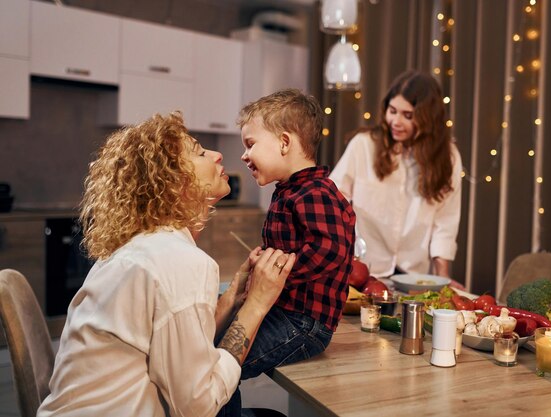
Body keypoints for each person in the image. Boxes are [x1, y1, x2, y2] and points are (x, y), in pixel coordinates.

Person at [37, 112, 296, 417]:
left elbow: (172, 344)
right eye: (199, 152)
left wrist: (232, 297)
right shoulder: (180, 261)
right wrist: (257, 304)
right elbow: (198, 407)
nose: (217, 155)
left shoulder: (143, 246)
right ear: (174, 182)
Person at [218, 89, 356, 416]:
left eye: (250, 144)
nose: (243, 155)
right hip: (285, 313)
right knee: (214, 355)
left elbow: (330, 249)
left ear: (284, 142)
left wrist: (277, 277)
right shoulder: (290, 191)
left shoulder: (315, 193)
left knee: (223, 368)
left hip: (305, 324)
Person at [330, 71, 463, 285]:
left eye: (408, 115)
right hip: (363, 270)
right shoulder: (363, 145)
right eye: (392, 111)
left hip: (412, 277)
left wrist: (442, 276)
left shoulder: (449, 158)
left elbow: (445, 222)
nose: (396, 122)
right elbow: (334, 199)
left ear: (428, 119)